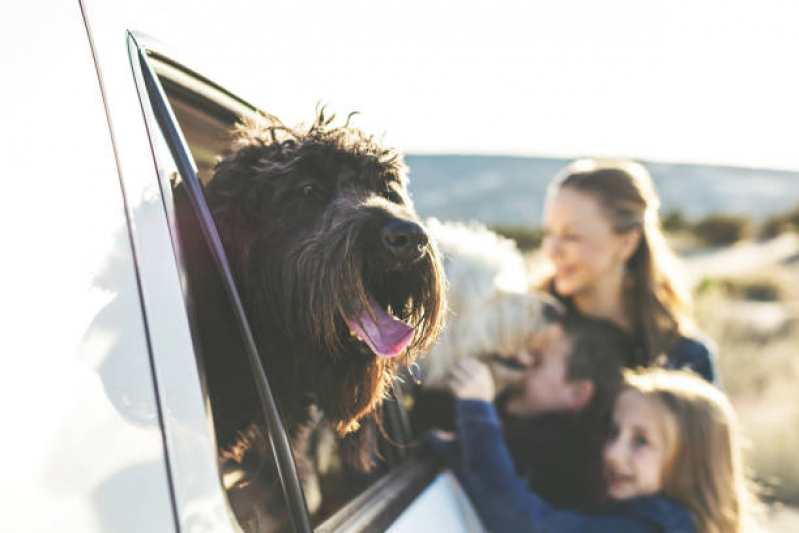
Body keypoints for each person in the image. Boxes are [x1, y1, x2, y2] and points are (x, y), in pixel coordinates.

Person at [432, 362, 756, 532]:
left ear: (693, 462)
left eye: (640, 441)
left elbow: (525, 524)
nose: (612, 453)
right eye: (615, 433)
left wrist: (477, 412)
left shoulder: (654, 527)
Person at [414, 311, 632, 509]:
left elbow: (477, 454)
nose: (521, 360)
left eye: (537, 361)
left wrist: (475, 408)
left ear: (576, 394)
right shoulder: (525, 417)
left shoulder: (562, 460)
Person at [538, 158, 718, 383]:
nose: (551, 250)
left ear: (627, 243)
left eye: (571, 236)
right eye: (549, 233)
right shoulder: (528, 336)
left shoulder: (685, 358)